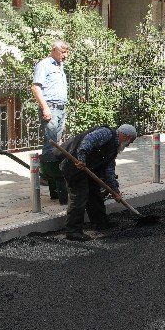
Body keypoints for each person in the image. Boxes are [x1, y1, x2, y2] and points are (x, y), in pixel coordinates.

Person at [59, 124, 138, 241]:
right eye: (130, 142)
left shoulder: (113, 149)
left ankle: (101, 223)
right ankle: (72, 231)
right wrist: (81, 159)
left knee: (95, 194)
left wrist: (115, 191)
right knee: (79, 196)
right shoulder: (107, 133)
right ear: (126, 137)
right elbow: (87, 141)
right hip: (75, 165)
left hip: (88, 169)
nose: (128, 145)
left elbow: (109, 171)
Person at [31, 41, 70, 204]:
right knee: (51, 143)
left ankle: (50, 175)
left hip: (60, 108)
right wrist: (45, 108)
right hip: (51, 108)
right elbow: (35, 87)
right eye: (62, 51)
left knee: (56, 143)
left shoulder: (59, 65)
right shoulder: (44, 64)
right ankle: (46, 175)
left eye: (67, 52)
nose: (65, 55)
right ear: (53, 50)